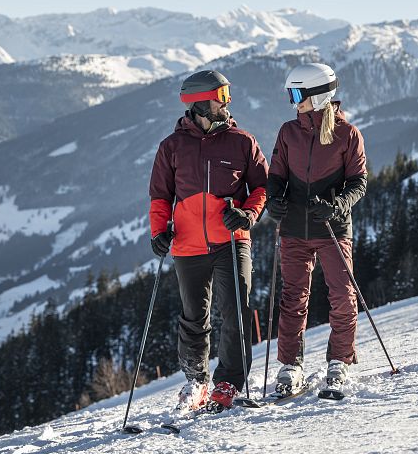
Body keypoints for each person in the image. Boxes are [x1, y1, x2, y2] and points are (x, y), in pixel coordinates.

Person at [149, 70, 268, 412]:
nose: (227, 102)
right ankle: (196, 381)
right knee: (193, 317)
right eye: (221, 96)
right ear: (199, 102)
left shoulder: (242, 141)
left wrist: (247, 214)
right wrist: (159, 232)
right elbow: (160, 196)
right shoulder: (172, 147)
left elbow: (261, 187)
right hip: (187, 246)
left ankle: (228, 381)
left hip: (232, 240)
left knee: (236, 313)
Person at [265, 62, 367, 395]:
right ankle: (290, 366)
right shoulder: (288, 132)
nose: (294, 102)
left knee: (342, 295)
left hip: (333, 229)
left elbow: (358, 183)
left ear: (319, 95)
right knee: (293, 298)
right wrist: (273, 200)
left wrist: (337, 204)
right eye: (291, 94)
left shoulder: (347, 134)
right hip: (294, 227)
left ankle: (339, 362)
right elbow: (277, 175)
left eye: (298, 94)